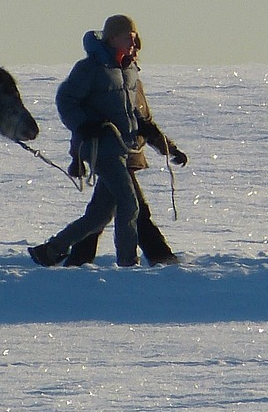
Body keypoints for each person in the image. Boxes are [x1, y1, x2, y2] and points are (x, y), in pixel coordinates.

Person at [29, 15, 185, 268]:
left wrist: (168, 147)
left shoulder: (129, 71)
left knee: (99, 216)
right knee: (129, 202)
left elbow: (139, 116)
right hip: (101, 150)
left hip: (126, 150)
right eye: (129, 38)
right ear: (112, 38)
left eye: (135, 39)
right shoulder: (89, 69)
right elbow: (66, 100)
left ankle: (50, 250)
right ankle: (127, 263)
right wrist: (84, 125)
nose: (134, 44)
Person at [62, 57, 188, 266]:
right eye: (130, 43)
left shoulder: (132, 82)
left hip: (128, 155)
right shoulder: (106, 82)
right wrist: (77, 157)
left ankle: (69, 257)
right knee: (134, 210)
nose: (134, 50)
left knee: (100, 214)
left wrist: (169, 148)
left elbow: (145, 124)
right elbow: (83, 124)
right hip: (112, 156)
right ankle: (160, 259)